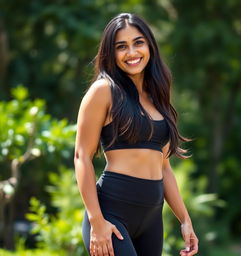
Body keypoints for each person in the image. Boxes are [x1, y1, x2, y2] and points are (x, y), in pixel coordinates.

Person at [74, 13, 198, 256]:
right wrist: (97, 221)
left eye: (138, 42)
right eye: (122, 46)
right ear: (111, 53)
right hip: (111, 214)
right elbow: (82, 157)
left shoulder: (157, 96)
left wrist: (185, 219)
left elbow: (164, 167)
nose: (132, 52)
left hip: (152, 218)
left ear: (149, 45)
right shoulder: (103, 91)